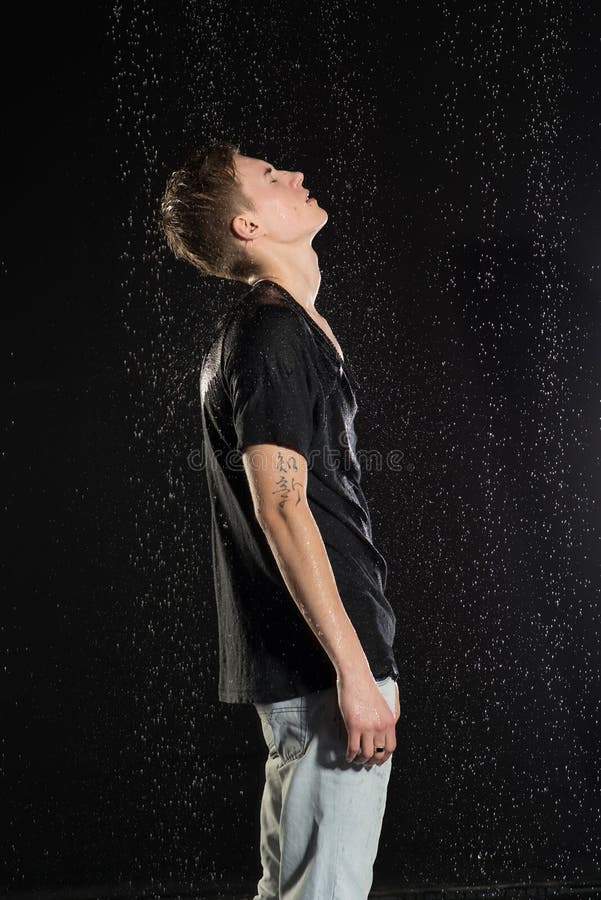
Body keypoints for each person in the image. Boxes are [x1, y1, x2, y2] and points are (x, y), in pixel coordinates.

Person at [160, 141, 401, 899]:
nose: (294, 174)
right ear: (246, 228)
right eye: (268, 178)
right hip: (323, 666)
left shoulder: (287, 328)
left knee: (299, 886)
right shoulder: (268, 334)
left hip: (322, 661)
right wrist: (354, 673)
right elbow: (282, 503)